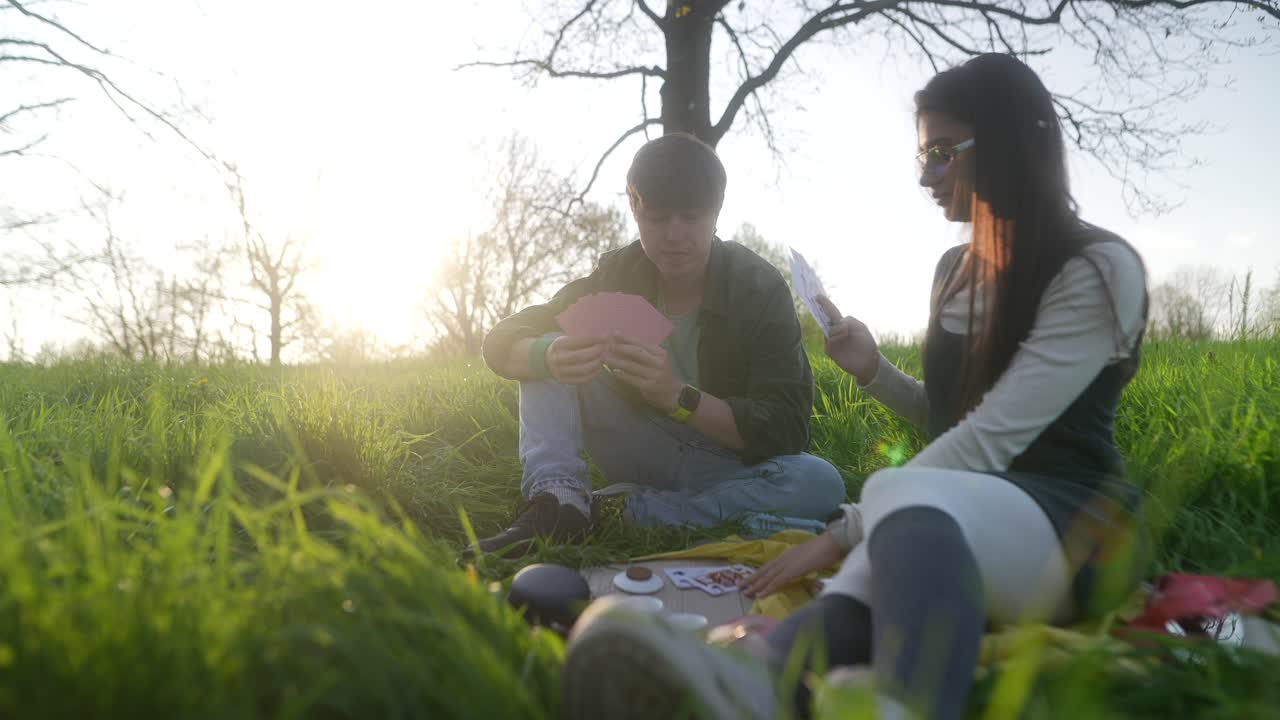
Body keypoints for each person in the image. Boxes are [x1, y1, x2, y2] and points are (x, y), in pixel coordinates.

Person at [559, 54, 1150, 720]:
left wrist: (844, 532)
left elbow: (996, 438)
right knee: (859, 589)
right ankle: (750, 687)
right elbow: (954, 421)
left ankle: (903, 706)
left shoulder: (1098, 268)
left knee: (896, 500)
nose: (926, 173)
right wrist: (874, 372)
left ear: (1012, 141)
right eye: (923, 154)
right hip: (958, 513)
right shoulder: (956, 269)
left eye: (944, 152)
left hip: (1076, 524)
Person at [473, 132, 845, 557]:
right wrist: (548, 356)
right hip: (638, 441)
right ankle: (558, 500)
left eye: (691, 217)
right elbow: (503, 339)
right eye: (657, 218)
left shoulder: (757, 285)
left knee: (819, 483)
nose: (675, 235)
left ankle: (623, 513)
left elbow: (786, 429)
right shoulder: (619, 272)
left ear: (716, 213)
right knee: (548, 348)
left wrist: (677, 397)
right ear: (635, 208)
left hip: (726, 465)